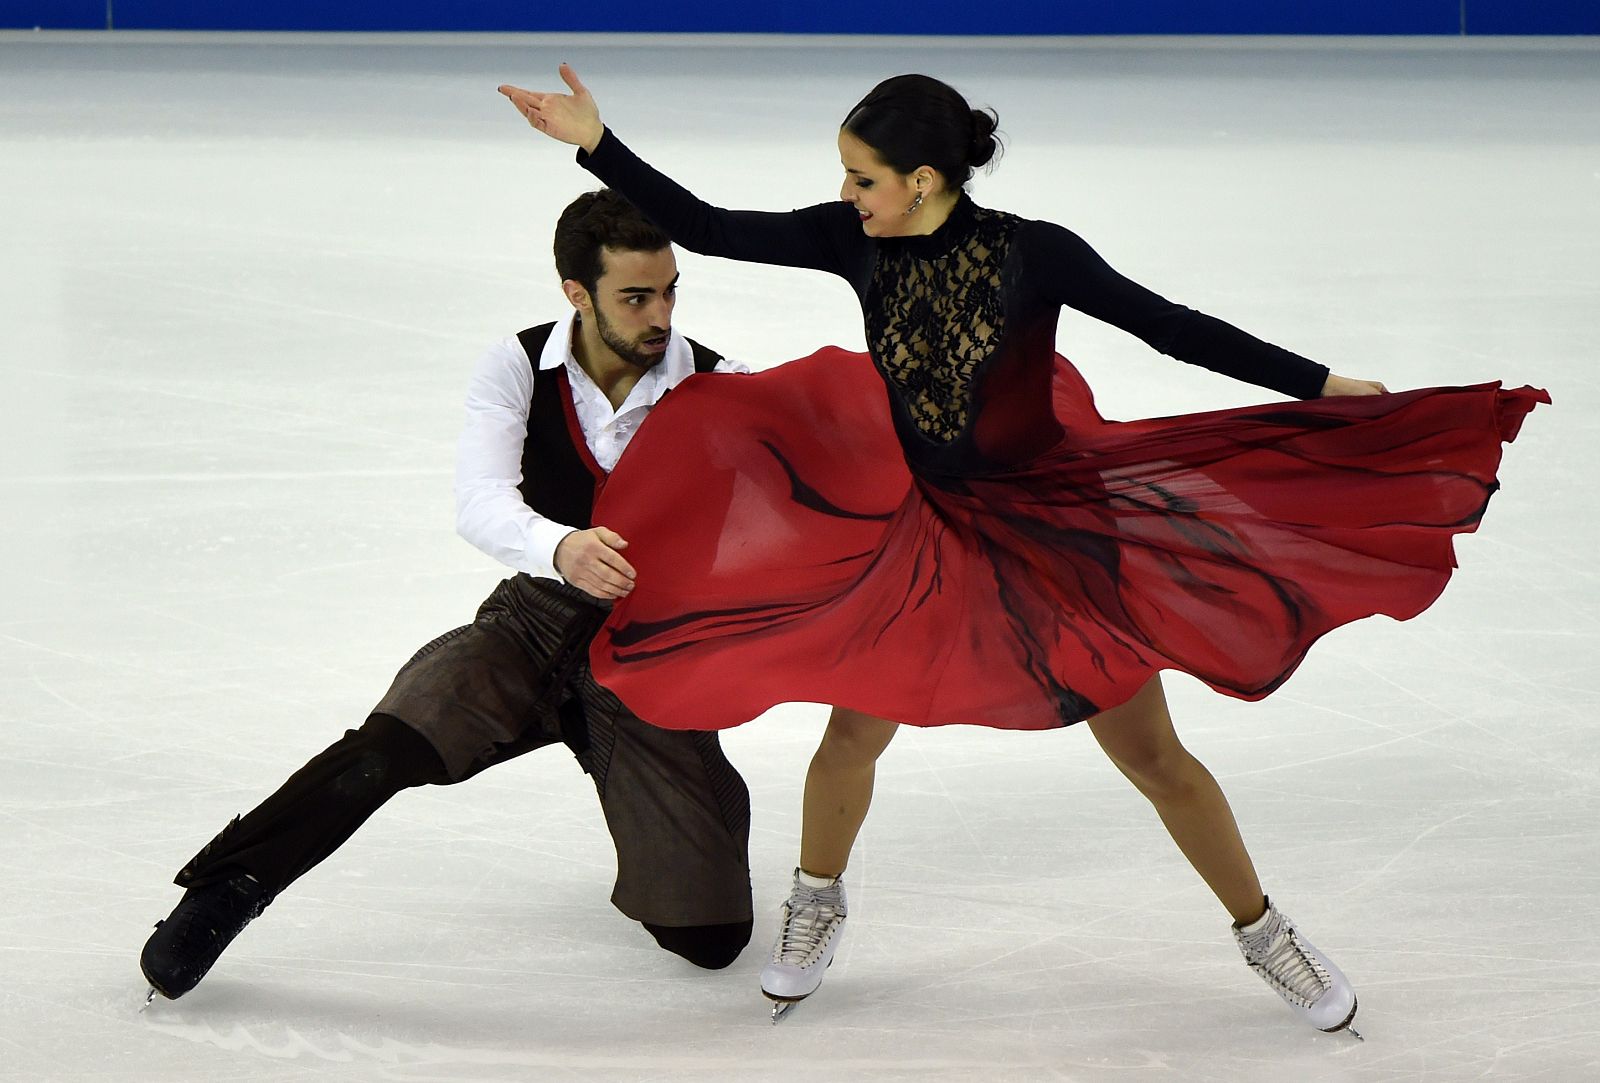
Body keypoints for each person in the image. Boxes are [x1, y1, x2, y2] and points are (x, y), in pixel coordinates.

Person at [497, 68, 1546, 1034]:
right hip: (925, 538)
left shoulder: (1034, 252)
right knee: (851, 736)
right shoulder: (852, 241)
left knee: (1153, 759)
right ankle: (815, 902)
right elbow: (710, 226)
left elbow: (1172, 328)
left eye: (861, 177)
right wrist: (597, 143)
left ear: (920, 179)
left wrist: (1317, 385)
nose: (846, 192)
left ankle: (1264, 934)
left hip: (1053, 534)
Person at [139, 189, 765, 1001]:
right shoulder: (517, 363)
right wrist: (560, 546)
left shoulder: (720, 384)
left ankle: (621, 747)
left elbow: (821, 452)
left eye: (671, 290)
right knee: (398, 735)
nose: (661, 314)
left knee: (711, 939)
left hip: (649, 648)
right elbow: (481, 501)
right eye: (636, 296)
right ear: (578, 292)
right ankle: (226, 889)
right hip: (535, 621)